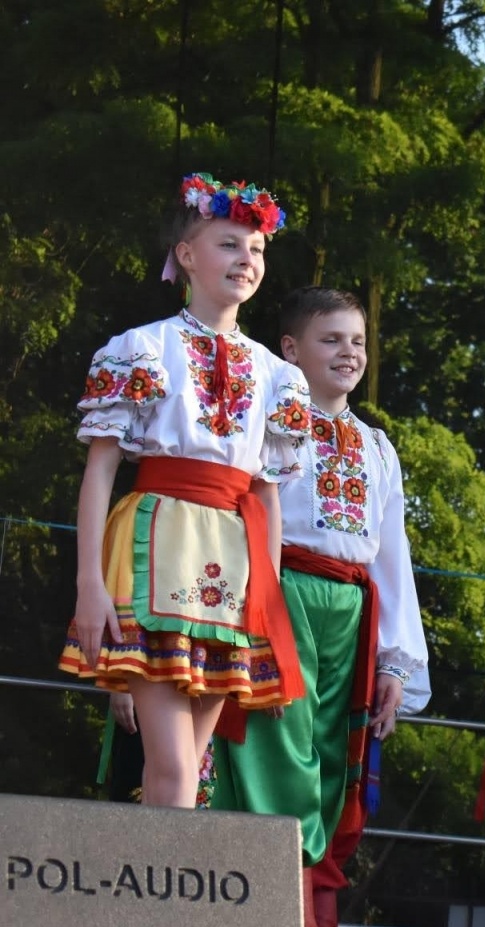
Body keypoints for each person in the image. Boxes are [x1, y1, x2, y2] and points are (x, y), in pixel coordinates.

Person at [207, 286, 430, 927]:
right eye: (331, 339)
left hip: (353, 611)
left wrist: (397, 660)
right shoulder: (268, 419)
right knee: (281, 765)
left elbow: (392, 554)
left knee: (332, 771)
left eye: (358, 342)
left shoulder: (376, 444)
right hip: (282, 592)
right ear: (291, 350)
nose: (349, 353)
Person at [60, 172, 309, 810]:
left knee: (189, 772)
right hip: (156, 541)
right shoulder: (141, 349)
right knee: (171, 768)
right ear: (187, 256)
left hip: (235, 557)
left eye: (255, 251)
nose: (245, 261)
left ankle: (153, 907)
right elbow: (101, 469)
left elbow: (268, 493)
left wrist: (268, 606)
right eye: (229, 245)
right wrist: (89, 584)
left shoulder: (278, 376)